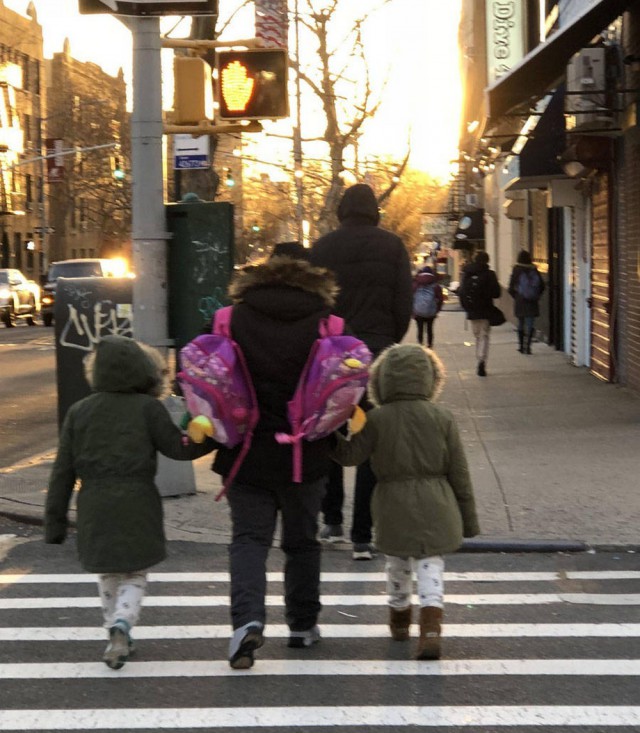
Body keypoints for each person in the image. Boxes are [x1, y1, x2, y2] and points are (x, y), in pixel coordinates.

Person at [44, 336, 216, 670]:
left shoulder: (79, 412)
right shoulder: (148, 408)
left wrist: (55, 523)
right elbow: (178, 449)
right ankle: (124, 622)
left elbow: (61, 473)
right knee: (135, 572)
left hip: (94, 502)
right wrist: (203, 438)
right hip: (139, 500)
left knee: (107, 571)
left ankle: (113, 629)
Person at [210, 251, 339, 669]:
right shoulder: (326, 323)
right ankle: (302, 625)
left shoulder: (231, 319)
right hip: (307, 453)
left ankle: (246, 621)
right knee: (302, 542)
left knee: (249, 541)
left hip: (245, 452)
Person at [331, 344, 479, 660]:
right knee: (430, 564)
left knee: (397, 564)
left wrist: (331, 429)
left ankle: (399, 622)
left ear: (382, 381)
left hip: (391, 504)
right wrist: (469, 519)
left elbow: (350, 456)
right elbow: (460, 472)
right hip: (437, 501)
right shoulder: (442, 417)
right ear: (430, 379)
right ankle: (430, 629)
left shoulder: (377, 418)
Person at [310, 183, 413, 560]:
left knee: (331, 432)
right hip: (376, 349)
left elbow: (314, 304)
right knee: (371, 439)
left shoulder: (321, 249)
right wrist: (387, 339)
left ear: (341, 211)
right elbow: (404, 302)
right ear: (375, 211)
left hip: (332, 353)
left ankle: (332, 518)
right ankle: (362, 535)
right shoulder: (393, 246)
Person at [458, 250, 501, 377]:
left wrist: (466, 307)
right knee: (484, 335)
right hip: (485, 309)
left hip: (472, 310)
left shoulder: (467, 273)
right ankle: (482, 360)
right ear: (487, 261)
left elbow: (462, 291)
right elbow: (497, 293)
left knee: (477, 336)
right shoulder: (490, 274)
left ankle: (479, 357)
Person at [508, 249, 545, 355]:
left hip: (520, 300)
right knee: (530, 324)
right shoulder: (534, 269)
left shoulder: (517, 270)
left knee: (520, 323)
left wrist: (517, 296)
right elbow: (542, 285)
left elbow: (510, 288)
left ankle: (520, 346)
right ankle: (528, 347)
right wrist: (536, 296)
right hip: (532, 301)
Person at [412, 265, 444, 348]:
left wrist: (412, 311)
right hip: (431, 312)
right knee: (430, 329)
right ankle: (430, 346)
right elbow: (440, 299)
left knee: (420, 329)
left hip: (418, 311)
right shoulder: (436, 286)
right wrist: (437, 310)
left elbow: (410, 297)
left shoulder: (416, 284)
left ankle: (420, 345)